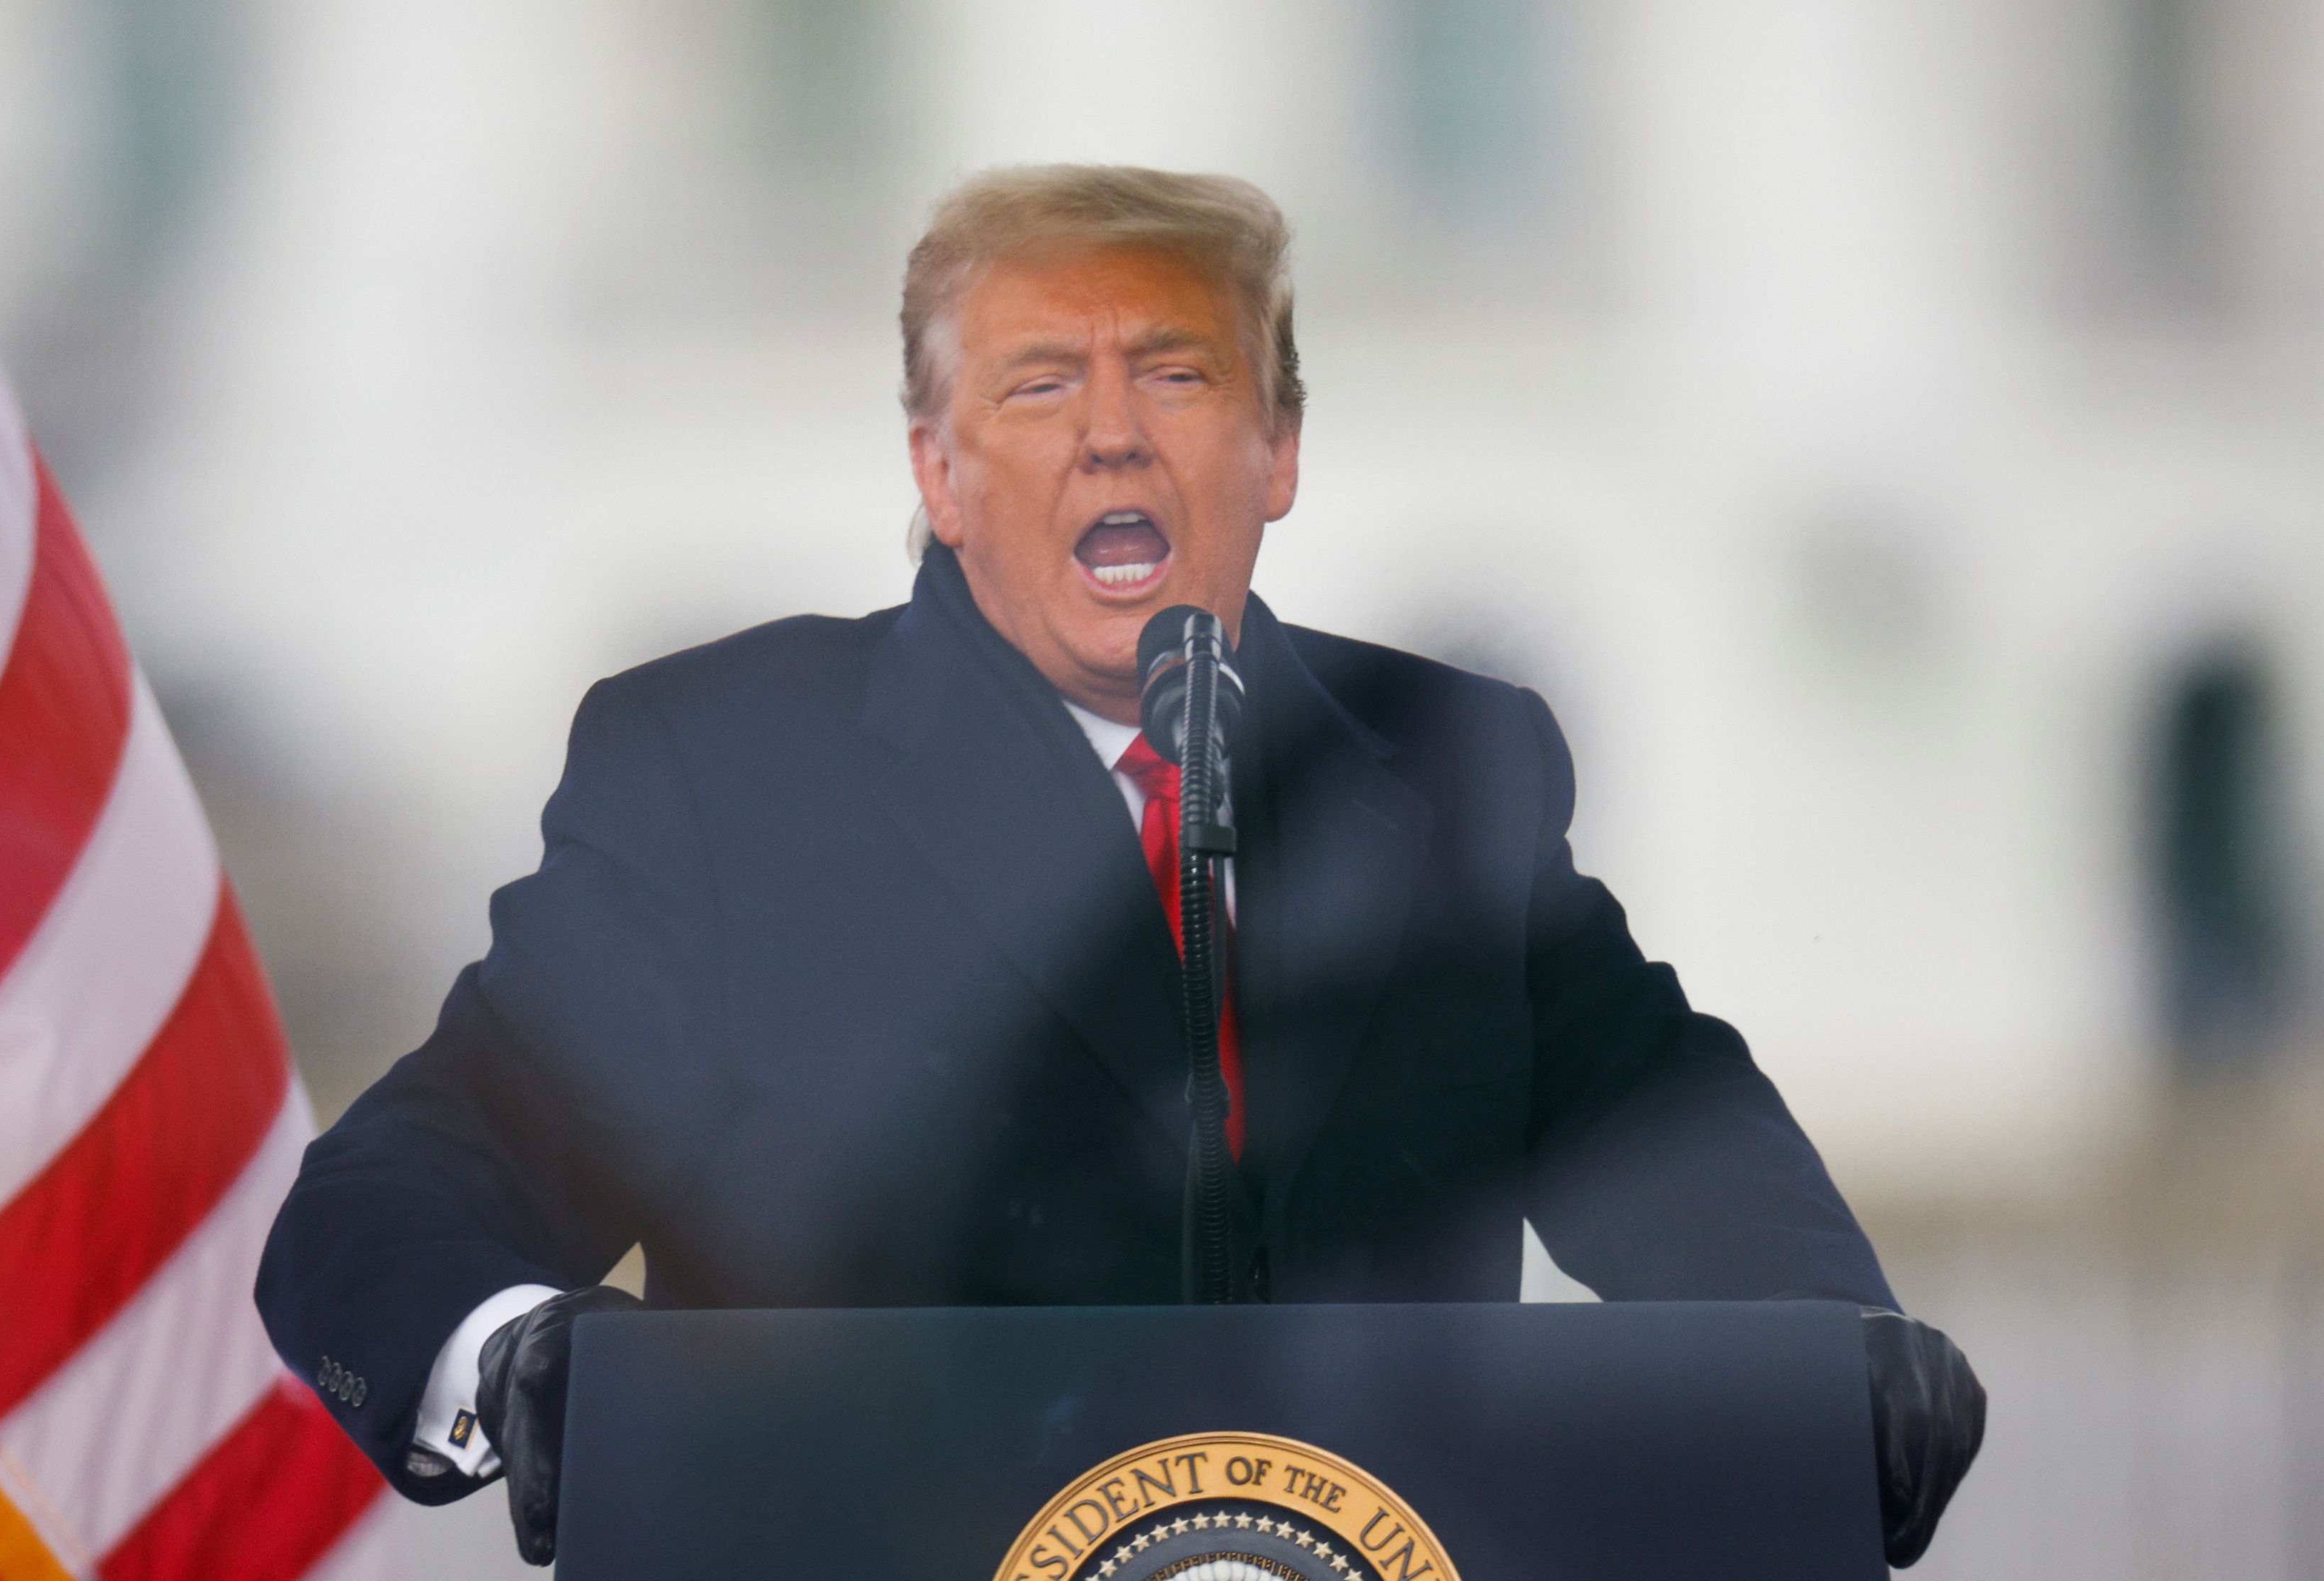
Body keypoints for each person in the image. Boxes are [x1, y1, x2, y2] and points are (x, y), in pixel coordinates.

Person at [256, 166, 1983, 1567]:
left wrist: (1833, 1348)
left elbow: (1666, 1132)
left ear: (1278, 450)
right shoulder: (724, 774)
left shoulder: (1449, 769)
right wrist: (516, 1353)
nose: (1113, 434)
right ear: (939, 470)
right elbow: (409, 1183)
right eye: (1038, 384)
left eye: (1178, 373)